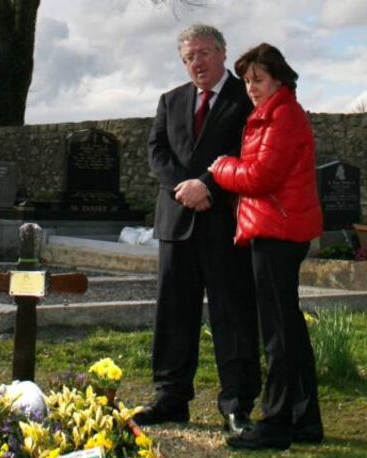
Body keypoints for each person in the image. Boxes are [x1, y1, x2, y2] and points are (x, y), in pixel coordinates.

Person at [135, 24, 261, 435]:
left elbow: (247, 153)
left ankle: (236, 404)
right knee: (173, 314)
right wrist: (183, 189)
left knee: (232, 313)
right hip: (177, 223)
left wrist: (206, 186)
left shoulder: (247, 99)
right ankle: (171, 397)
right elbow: (157, 152)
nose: (197, 63)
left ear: (223, 53)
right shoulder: (170, 101)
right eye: (189, 57)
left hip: (224, 221)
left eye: (204, 53)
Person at [208, 43, 324, 450]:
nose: (251, 87)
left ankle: (275, 424)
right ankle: (304, 418)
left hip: (277, 230)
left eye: (258, 79)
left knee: (277, 332)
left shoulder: (283, 116)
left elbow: (259, 177)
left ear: (279, 77)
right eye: (247, 81)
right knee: (288, 326)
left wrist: (221, 167)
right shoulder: (273, 114)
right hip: (276, 227)